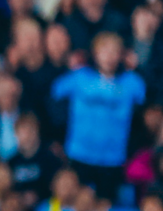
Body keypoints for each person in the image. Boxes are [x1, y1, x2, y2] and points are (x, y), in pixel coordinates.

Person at [51, 31, 145, 201]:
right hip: (79, 154)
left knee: (105, 206)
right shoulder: (79, 76)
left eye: (114, 52)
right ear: (95, 53)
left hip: (113, 159)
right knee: (75, 204)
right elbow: (54, 93)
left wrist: (137, 68)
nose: (109, 57)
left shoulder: (132, 82)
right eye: (105, 51)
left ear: (121, 55)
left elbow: (146, 103)